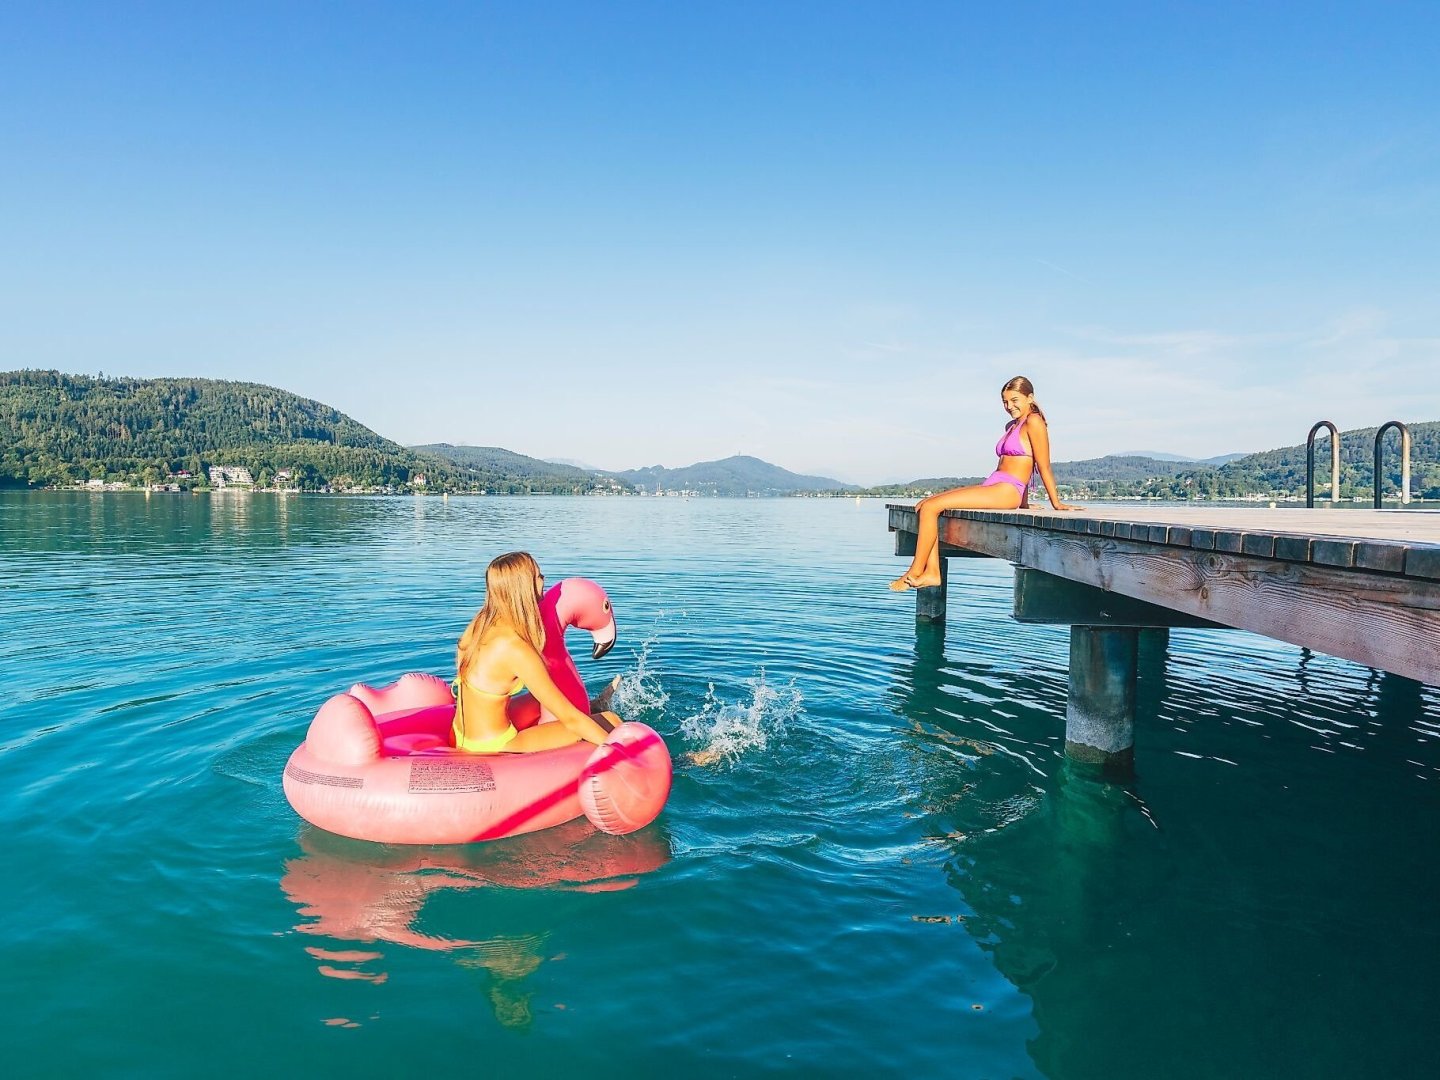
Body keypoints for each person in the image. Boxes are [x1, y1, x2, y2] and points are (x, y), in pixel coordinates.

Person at [890, 375, 1082, 591]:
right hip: (994, 484)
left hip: (1008, 489)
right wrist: (1025, 504)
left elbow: (1043, 465)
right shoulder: (1012, 425)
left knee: (932, 507)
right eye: (1005, 402)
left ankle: (915, 570)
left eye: (1015, 400)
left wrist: (1056, 503)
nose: (1009, 406)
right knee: (926, 504)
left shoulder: (1034, 422)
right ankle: (932, 571)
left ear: (1030, 397)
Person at [453, 551, 621, 752]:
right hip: (494, 745)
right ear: (525, 587)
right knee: (610, 720)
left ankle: (593, 706)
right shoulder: (517, 648)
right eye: (539, 576)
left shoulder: (479, 623)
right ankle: (601, 714)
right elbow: (571, 720)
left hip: (460, 733)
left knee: (541, 699)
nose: (544, 580)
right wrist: (620, 750)